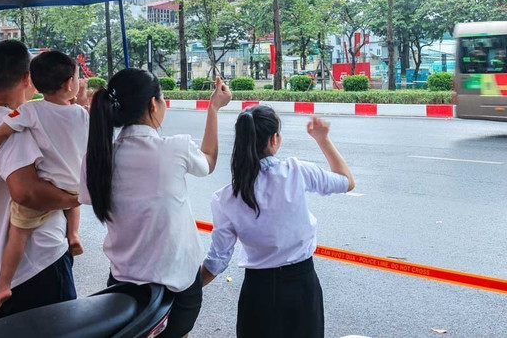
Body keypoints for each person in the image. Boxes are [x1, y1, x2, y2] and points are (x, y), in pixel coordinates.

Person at [81, 70, 231, 338]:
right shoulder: (175, 148)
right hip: (178, 285)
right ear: (153, 104)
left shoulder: (98, 159)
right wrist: (214, 109)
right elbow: (209, 160)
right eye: (162, 99)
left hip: (123, 283)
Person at [201, 106, 355, 338]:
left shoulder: (227, 197)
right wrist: (322, 140)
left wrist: (186, 289)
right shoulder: (297, 171)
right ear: (274, 139)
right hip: (302, 287)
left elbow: (217, 261)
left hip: (257, 293)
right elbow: (346, 181)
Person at [0, 40, 81, 321]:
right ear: (28, 77)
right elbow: (25, 192)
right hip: (37, 265)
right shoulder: (13, 125)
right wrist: (77, 198)